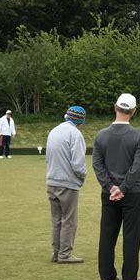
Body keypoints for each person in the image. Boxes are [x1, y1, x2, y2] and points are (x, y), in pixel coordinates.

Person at [93, 93, 140, 280]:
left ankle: (106, 276)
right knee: (131, 235)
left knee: (107, 233)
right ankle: (130, 277)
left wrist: (110, 187)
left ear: (115, 107)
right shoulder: (138, 135)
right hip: (132, 192)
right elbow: (136, 166)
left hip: (109, 193)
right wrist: (123, 188)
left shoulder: (101, 135)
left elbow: (97, 165)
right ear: (133, 111)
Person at [46, 106, 87, 264]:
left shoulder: (54, 131)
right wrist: (82, 178)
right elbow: (78, 164)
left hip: (51, 181)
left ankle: (56, 253)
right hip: (67, 184)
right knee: (69, 220)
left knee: (56, 219)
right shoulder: (75, 134)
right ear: (80, 121)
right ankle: (65, 255)